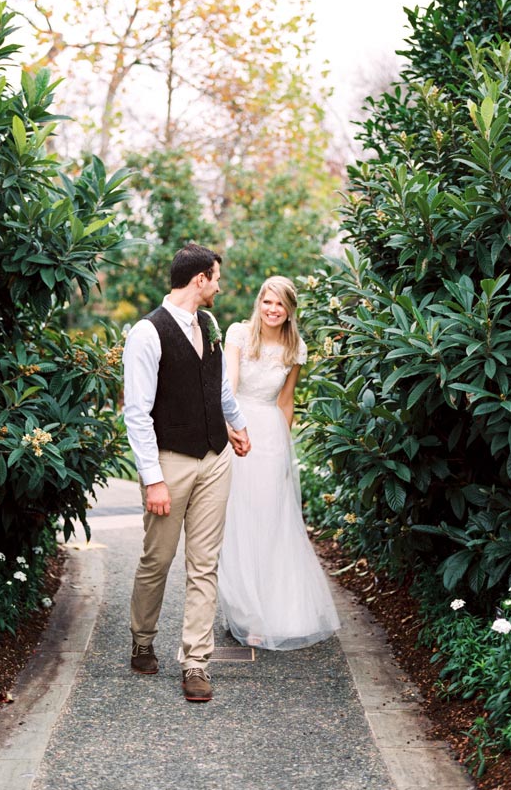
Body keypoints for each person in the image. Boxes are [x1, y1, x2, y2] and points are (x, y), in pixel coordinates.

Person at [122, 243, 251, 702]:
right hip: (169, 461)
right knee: (156, 558)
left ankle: (195, 662)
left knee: (204, 564)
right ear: (199, 280)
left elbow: (216, 385)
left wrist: (235, 424)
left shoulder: (210, 325)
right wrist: (153, 478)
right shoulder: (146, 333)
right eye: (215, 277)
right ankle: (142, 638)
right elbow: (136, 413)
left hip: (215, 458)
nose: (219, 286)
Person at [218, 275, 340, 650]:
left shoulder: (295, 348)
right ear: (259, 303)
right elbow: (229, 384)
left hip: (271, 435)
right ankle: (243, 609)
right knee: (237, 518)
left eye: (280, 304)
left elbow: (286, 401)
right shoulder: (238, 334)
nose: (272, 310)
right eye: (267, 302)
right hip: (237, 428)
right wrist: (231, 428)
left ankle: (269, 611)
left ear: (290, 310)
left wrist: (284, 451)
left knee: (270, 519)